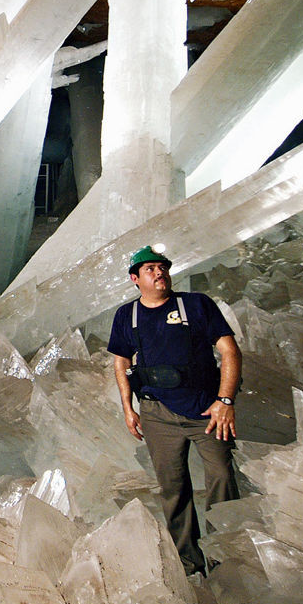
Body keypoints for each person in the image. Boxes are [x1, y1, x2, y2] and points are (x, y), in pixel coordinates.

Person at [107, 245, 241, 576]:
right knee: (173, 489)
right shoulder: (128, 315)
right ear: (135, 279)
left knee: (223, 478)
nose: (159, 272)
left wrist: (225, 401)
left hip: (205, 411)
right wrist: (128, 407)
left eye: (162, 267)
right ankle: (190, 566)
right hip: (157, 414)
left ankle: (227, 564)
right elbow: (121, 362)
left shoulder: (196, 305)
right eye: (150, 269)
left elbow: (229, 350)